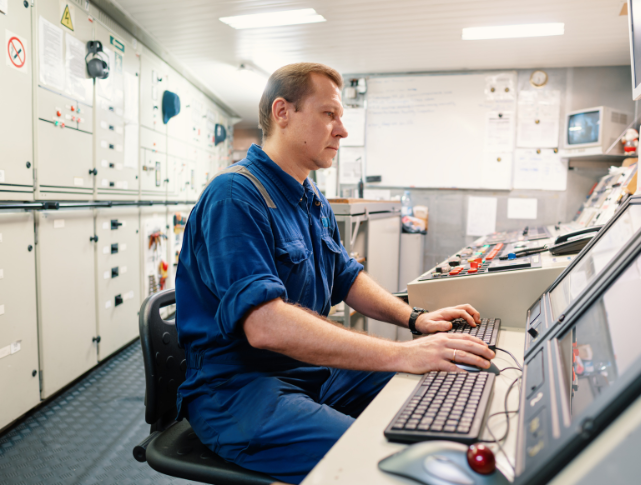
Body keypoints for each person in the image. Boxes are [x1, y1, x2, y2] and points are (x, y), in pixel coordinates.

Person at [175, 62, 495, 484]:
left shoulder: (311, 198)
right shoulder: (235, 196)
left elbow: (346, 276)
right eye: (329, 114)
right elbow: (266, 326)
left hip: (307, 372)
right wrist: (403, 352)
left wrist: (414, 319)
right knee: (379, 464)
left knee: (438, 388)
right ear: (283, 112)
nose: (342, 131)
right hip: (239, 391)